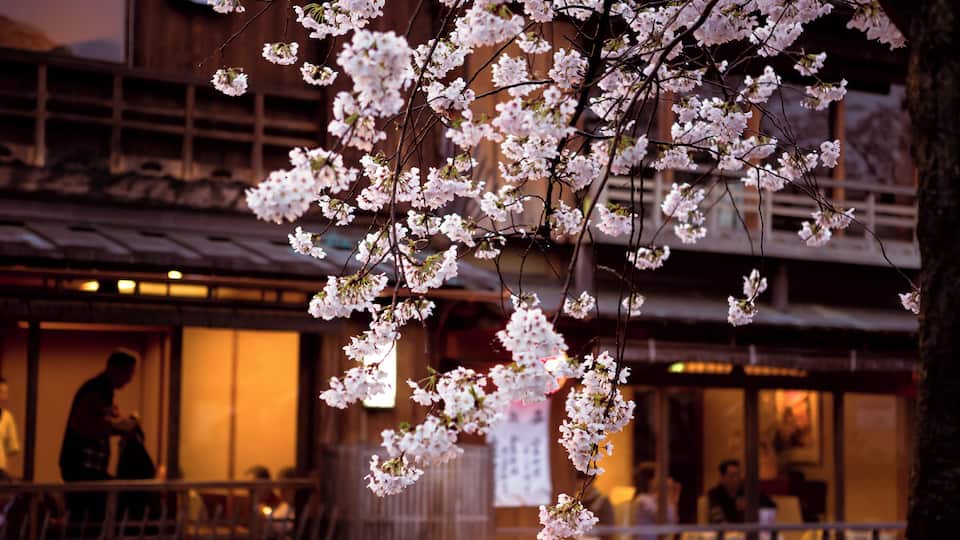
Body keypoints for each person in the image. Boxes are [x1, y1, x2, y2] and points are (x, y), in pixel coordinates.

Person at [59, 349, 138, 520]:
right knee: (88, 517)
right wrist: (117, 427)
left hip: (85, 467)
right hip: (83, 467)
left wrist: (114, 424)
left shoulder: (101, 389)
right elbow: (85, 423)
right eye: (128, 372)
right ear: (115, 368)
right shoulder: (97, 389)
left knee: (88, 515)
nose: (130, 378)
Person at [707, 459, 776, 524]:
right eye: (732, 476)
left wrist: (750, 505)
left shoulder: (747, 490)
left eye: (738, 475)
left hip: (748, 531)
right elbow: (717, 517)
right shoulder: (715, 493)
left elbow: (771, 504)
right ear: (722, 478)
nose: (736, 479)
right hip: (727, 532)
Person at [631, 462, 680, 540]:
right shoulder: (642, 500)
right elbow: (666, 518)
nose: (664, 479)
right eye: (660, 477)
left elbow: (673, 521)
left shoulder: (654, 498)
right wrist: (669, 492)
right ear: (651, 481)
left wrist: (673, 495)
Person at [577, 471, 615, 540]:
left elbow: (608, 530)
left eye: (586, 481)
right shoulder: (578, 502)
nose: (581, 485)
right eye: (579, 482)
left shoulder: (603, 501)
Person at [0, 378, 20, 476]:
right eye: (1, 392)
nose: (2, 396)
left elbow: (12, 448)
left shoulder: (7, 417)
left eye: (5, 392)